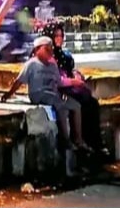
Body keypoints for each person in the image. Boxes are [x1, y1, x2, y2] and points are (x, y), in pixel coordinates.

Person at [1, 36, 87, 150]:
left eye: (51, 49)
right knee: (60, 107)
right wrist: (8, 94)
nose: (50, 51)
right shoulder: (31, 64)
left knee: (76, 106)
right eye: (47, 49)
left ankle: (78, 139)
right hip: (39, 94)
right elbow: (19, 81)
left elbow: (59, 82)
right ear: (37, 50)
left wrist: (74, 82)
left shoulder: (53, 65)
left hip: (53, 94)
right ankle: (65, 140)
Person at [47, 23, 107, 155]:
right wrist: (73, 81)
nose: (59, 39)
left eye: (61, 36)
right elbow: (54, 79)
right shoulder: (47, 56)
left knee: (92, 102)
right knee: (82, 102)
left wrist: (77, 76)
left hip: (69, 87)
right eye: (56, 36)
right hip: (58, 90)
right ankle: (82, 142)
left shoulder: (64, 55)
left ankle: (95, 142)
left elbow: (69, 70)